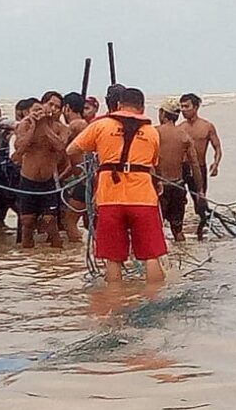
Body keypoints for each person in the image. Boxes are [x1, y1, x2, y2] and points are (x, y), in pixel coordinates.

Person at [67, 87, 167, 283]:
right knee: (151, 256)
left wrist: (98, 151)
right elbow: (152, 164)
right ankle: (155, 297)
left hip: (109, 198)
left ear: (119, 105)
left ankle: (113, 300)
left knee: (112, 258)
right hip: (143, 199)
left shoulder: (101, 126)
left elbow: (71, 150)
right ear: (142, 108)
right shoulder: (151, 132)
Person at [11, 98, 69, 248]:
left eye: (57, 106)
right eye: (50, 104)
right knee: (27, 222)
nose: (53, 108)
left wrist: (44, 127)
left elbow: (60, 146)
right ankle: (28, 259)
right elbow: (19, 149)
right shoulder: (24, 125)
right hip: (28, 181)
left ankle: (57, 253)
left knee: (50, 222)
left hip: (48, 182)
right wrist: (33, 128)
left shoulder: (61, 128)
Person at [156, 96, 201, 242]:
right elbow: (195, 165)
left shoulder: (154, 133)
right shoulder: (184, 136)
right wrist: (199, 190)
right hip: (178, 186)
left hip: (159, 187)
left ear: (163, 113)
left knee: (156, 229)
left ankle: (160, 262)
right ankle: (182, 256)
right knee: (178, 231)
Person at [179, 93, 222, 239]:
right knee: (180, 201)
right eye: (182, 106)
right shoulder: (180, 128)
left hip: (200, 168)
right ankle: (180, 233)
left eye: (187, 106)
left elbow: (217, 147)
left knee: (200, 203)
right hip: (183, 168)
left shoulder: (207, 126)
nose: (183, 110)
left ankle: (201, 234)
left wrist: (215, 164)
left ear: (196, 107)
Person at [60, 92, 90, 242]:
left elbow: (60, 145)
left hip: (85, 180)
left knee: (69, 221)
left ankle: (78, 250)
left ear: (67, 108)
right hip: (84, 178)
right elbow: (74, 162)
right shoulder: (84, 123)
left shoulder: (75, 125)